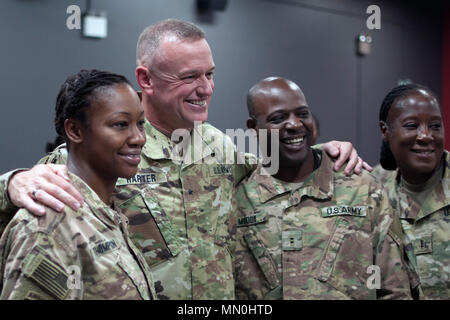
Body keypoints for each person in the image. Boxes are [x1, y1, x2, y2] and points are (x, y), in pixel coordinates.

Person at [0, 19, 371, 300]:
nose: (206, 88)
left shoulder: (220, 147)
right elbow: (38, 203)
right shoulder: (108, 151)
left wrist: (325, 151)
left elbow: (281, 171)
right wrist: (12, 180)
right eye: (190, 76)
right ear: (145, 79)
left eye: (210, 74)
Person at [234, 77, 412, 299]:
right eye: (278, 118)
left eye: (302, 114)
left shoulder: (361, 187)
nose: (295, 124)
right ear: (253, 128)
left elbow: (394, 288)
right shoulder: (238, 200)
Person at [0, 69, 155, 300]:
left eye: (140, 123)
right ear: (74, 130)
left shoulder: (105, 212)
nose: (139, 137)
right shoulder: (49, 223)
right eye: (121, 124)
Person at [375, 83, 449, 299]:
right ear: (385, 131)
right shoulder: (371, 188)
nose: (426, 135)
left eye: (435, 126)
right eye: (411, 125)